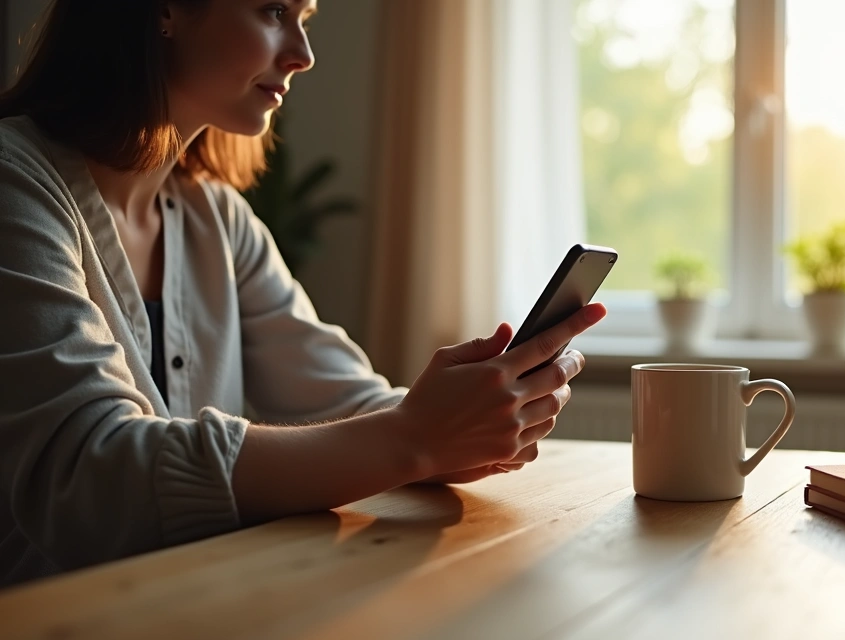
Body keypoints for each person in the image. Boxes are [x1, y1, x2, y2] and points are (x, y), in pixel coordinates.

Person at [0, 0, 605, 587]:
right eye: (273, 11)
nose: (305, 55)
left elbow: (344, 399)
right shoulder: (15, 185)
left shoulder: (218, 218)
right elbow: (90, 476)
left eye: (305, 19)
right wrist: (415, 438)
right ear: (164, 9)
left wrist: (463, 431)